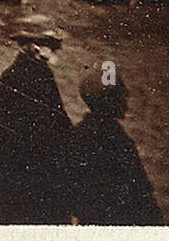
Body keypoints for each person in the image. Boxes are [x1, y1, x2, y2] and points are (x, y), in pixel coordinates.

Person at [0, 14, 72, 224]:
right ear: (35, 47)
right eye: (51, 45)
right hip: (37, 174)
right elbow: (56, 127)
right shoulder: (38, 78)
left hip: (13, 172)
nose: (56, 50)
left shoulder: (11, 75)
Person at [66, 69, 162, 225]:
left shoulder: (78, 134)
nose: (126, 101)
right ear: (109, 102)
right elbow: (140, 191)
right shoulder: (118, 141)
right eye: (121, 96)